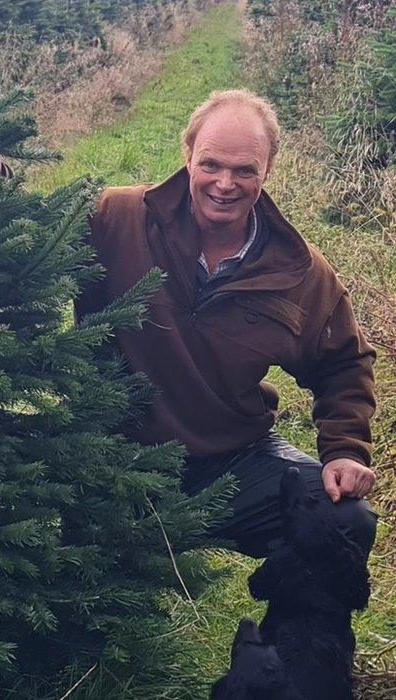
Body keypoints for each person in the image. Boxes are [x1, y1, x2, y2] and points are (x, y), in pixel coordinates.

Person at [80, 89, 377, 692]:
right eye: (211, 164)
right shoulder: (117, 218)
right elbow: (27, 237)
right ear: (187, 154)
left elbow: (344, 362)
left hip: (230, 459)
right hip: (108, 457)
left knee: (343, 521)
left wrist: (345, 448)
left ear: (267, 173)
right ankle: (84, 648)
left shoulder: (299, 271)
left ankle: (288, 675)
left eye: (245, 170)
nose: (225, 182)